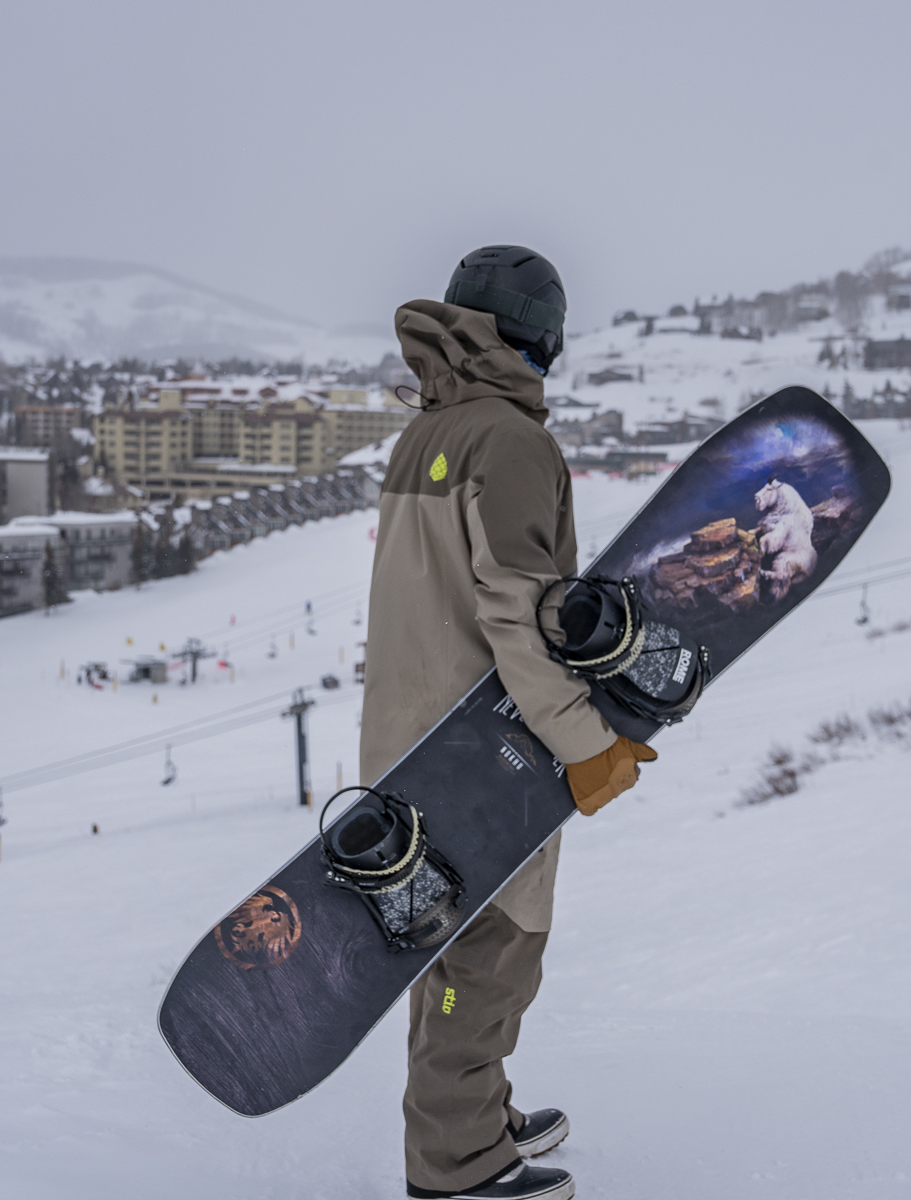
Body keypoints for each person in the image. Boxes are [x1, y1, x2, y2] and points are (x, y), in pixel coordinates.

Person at [361, 246, 658, 1200]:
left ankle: (474, 1111)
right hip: (488, 746)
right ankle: (455, 1166)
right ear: (542, 338)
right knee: (492, 953)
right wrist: (587, 744)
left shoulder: (431, 429)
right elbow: (519, 610)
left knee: (447, 939)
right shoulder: (513, 441)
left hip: (411, 739)